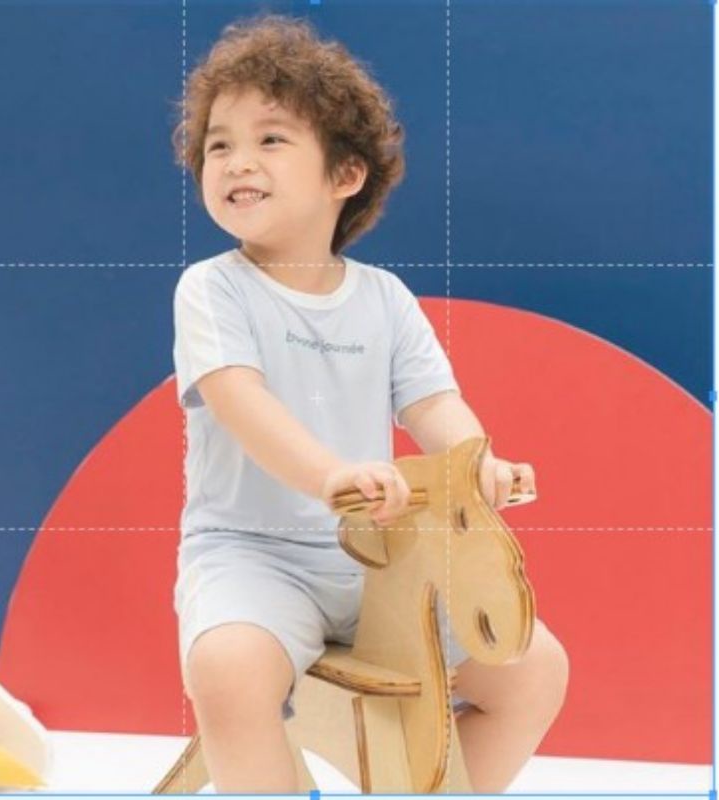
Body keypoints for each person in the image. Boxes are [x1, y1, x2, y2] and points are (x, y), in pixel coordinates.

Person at [171, 13, 568, 793]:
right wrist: (330, 476)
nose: (237, 161)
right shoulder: (213, 289)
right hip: (252, 556)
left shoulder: (383, 299)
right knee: (228, 669)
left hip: (377, 561)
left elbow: (437, 407)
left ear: (345, 175)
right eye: (218, 145)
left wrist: (478, 469)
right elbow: (242, 402)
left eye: (270, 139)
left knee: (535, 670)